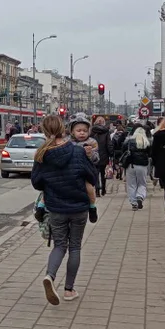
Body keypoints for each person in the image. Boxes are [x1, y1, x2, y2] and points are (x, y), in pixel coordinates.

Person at [31, 115, 98, 305]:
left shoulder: (42, 155)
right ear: (64, 129)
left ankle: (49, 277)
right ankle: (69, 290)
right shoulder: (77, 152)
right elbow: (92, 177)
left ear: (45, 132)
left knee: (59, 245)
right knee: (75, 247)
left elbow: (36, 183)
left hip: (56, 208)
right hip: (79, 207)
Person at [122, 123, 151, 210]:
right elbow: (150, 154)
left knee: (131, 184)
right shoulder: (146, 141)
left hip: (131, 165)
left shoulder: (129, 140)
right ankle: (140, 196)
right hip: (142, 165)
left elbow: (123, 149)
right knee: (142, 183)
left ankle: (133, 202)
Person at [90, 116, 114, 196]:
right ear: (103, 123)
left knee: (96, 173)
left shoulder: (92, 131)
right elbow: (109, 144)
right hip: (104, 155)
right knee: (103, 173)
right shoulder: (106, 132)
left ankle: (97, 190)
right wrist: (111, 154)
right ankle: (103, 189)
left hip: (94, 155)